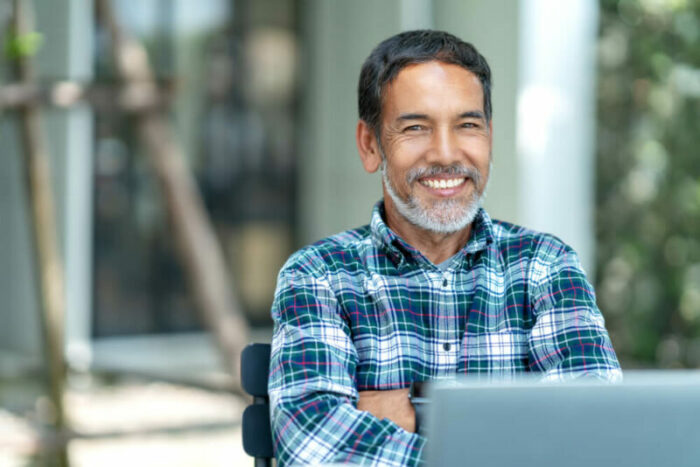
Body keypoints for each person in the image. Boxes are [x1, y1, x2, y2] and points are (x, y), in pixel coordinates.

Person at [268, 29, 621, 466]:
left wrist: (414, 412)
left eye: (467, 125)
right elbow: (314, 445)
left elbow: (595, 437)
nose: (445, 152)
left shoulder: (545, 267)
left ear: (489, 137)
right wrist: (510, 441)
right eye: (416, 127)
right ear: (370, 144)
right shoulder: (318, 275)